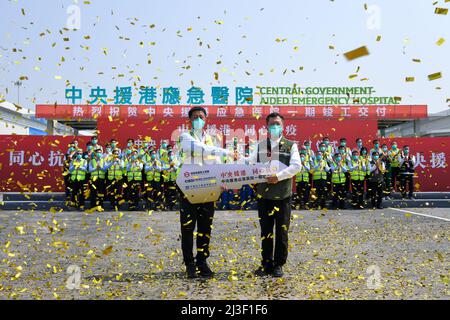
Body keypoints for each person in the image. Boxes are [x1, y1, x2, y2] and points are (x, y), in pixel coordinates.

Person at [177, 106, 235, 278]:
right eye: (194, 117)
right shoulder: (185, 136)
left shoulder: (210, 139)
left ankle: (202, 261)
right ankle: (189, 264)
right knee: (188, 228)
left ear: (206, 119)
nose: (198, 120)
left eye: (201, 117)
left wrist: (222, 180)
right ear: (189, 120)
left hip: (208, 187)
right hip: (188, 187)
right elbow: (201, 150)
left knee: (205, 227)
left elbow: (215, 160)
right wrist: (227, 151)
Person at [246, 112, 301, 278]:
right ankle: (266, 264)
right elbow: (251, 163)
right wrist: (239, 159)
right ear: (267, 126)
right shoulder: (260, 145)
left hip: (283, 196)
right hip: (264, 196)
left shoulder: (291, 145)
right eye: (272, 124)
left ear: (283, 126)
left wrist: (278, 176)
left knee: (282, 232)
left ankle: (279, 264)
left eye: (277, 123)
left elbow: (296, 166)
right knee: (266, 231)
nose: (275, 126)